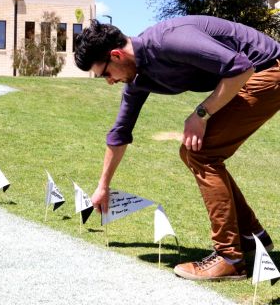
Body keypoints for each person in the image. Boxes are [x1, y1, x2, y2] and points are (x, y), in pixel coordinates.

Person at [74, 15, 280, 281]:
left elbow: (240, 66)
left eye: (105, 73)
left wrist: (201, 114)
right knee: (193, 153)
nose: (109, 81)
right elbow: (120, 132)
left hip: (266, 70)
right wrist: (103, 186)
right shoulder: (138, 78)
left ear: (116, 55)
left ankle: (229, 257)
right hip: (251, 73)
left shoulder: (170, 40)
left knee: (201, 153)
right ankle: (251, 237)